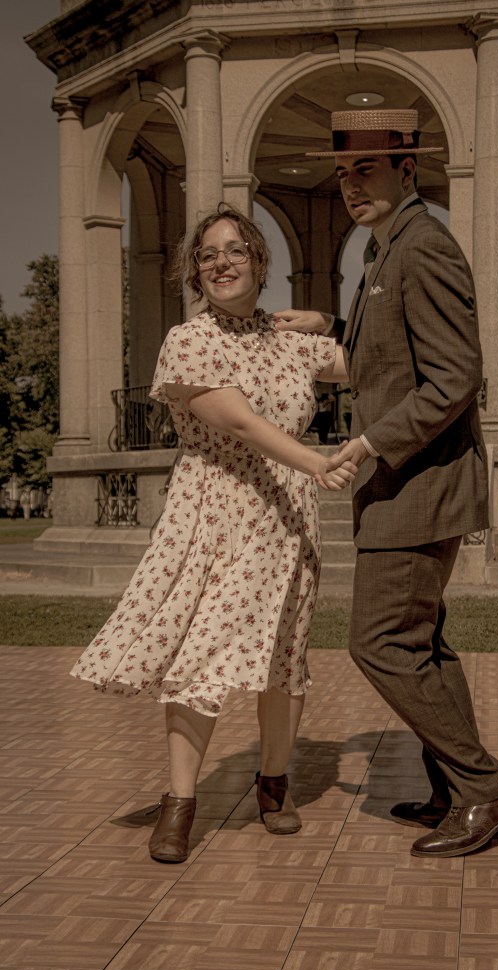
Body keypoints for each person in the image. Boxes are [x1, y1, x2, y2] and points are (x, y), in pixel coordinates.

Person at [275, 109, 498, 858]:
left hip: (419, 487)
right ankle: (456, 788)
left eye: (368, 169)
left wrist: (369, 443)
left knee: (379, 641)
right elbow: (390, 352)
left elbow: (456, 376)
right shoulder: (386, 248)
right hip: (405, 488)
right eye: (343, 173)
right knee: (423, 645)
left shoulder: (424, 246)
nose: (352, 186)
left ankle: (485, 787)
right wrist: (329, 324)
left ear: (406, 169)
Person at [71, 206, 354, 863]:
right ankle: (180, 803)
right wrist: (316, 462)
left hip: (288, 521)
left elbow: (379, 359)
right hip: (217, 514)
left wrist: (330, 322)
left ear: (259, 260)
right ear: (195, 272)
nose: (221, 262)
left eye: (235, 250)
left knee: (285, 656)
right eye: (207, 255)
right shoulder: (188, 339)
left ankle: (274, 785)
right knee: (200, 655)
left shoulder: (290, 341)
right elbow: (240, 422)